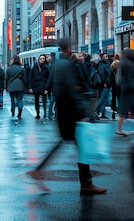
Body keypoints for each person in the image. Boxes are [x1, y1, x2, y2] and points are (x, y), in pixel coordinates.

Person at [27, 37, 108, 195]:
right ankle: (86, 183)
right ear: (69, 47)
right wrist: (84, 113)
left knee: (65, 143)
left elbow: (53, 85)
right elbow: (75, 91)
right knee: (81, 147)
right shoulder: (69, 65)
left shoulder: (57, 65)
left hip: (63, 111)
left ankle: (84, 182)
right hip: (71, 112)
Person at [114, 48, 134, 137]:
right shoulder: (131, 64)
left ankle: (119, 129)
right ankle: (119, 129)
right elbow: (132, 77)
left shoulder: (123, 63)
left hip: (125, 88)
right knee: (133, 108)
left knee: (124, 109)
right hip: (130, 88)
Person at [29, 54, 50, 119]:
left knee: (44, 100)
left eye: (43, 58)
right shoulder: (34, 67)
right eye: (41, 59)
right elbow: (31, 77)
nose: (42, 60)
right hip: (36, 85)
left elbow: (49, 78)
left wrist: (47, 88)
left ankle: (45, 113)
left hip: (43, 86)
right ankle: (37, 113)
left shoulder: (46, 67)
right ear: (39, 59)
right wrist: (30, 87)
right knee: (36, 100)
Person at [6, 55, 27, 119]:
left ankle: (13, 111)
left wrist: (6, 87)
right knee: (20, 99)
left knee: (12, 100)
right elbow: (24, 78)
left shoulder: (9, 68)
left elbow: (6, 78)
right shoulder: (21, 68)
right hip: (20, 86)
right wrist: (26, 86)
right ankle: (20, 111)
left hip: (11, 86)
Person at [94, 53, 113, 119]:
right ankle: (96, 111)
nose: (106, 57)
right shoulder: (101, 64)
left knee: (104, 99)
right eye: (104, 56)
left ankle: (100, 113)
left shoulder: (108, 63)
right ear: (101, 57)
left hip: (107, 83)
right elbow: (103, 74)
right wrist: (105, 82)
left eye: (107, 56)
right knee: (102, 98)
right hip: (105, 84)